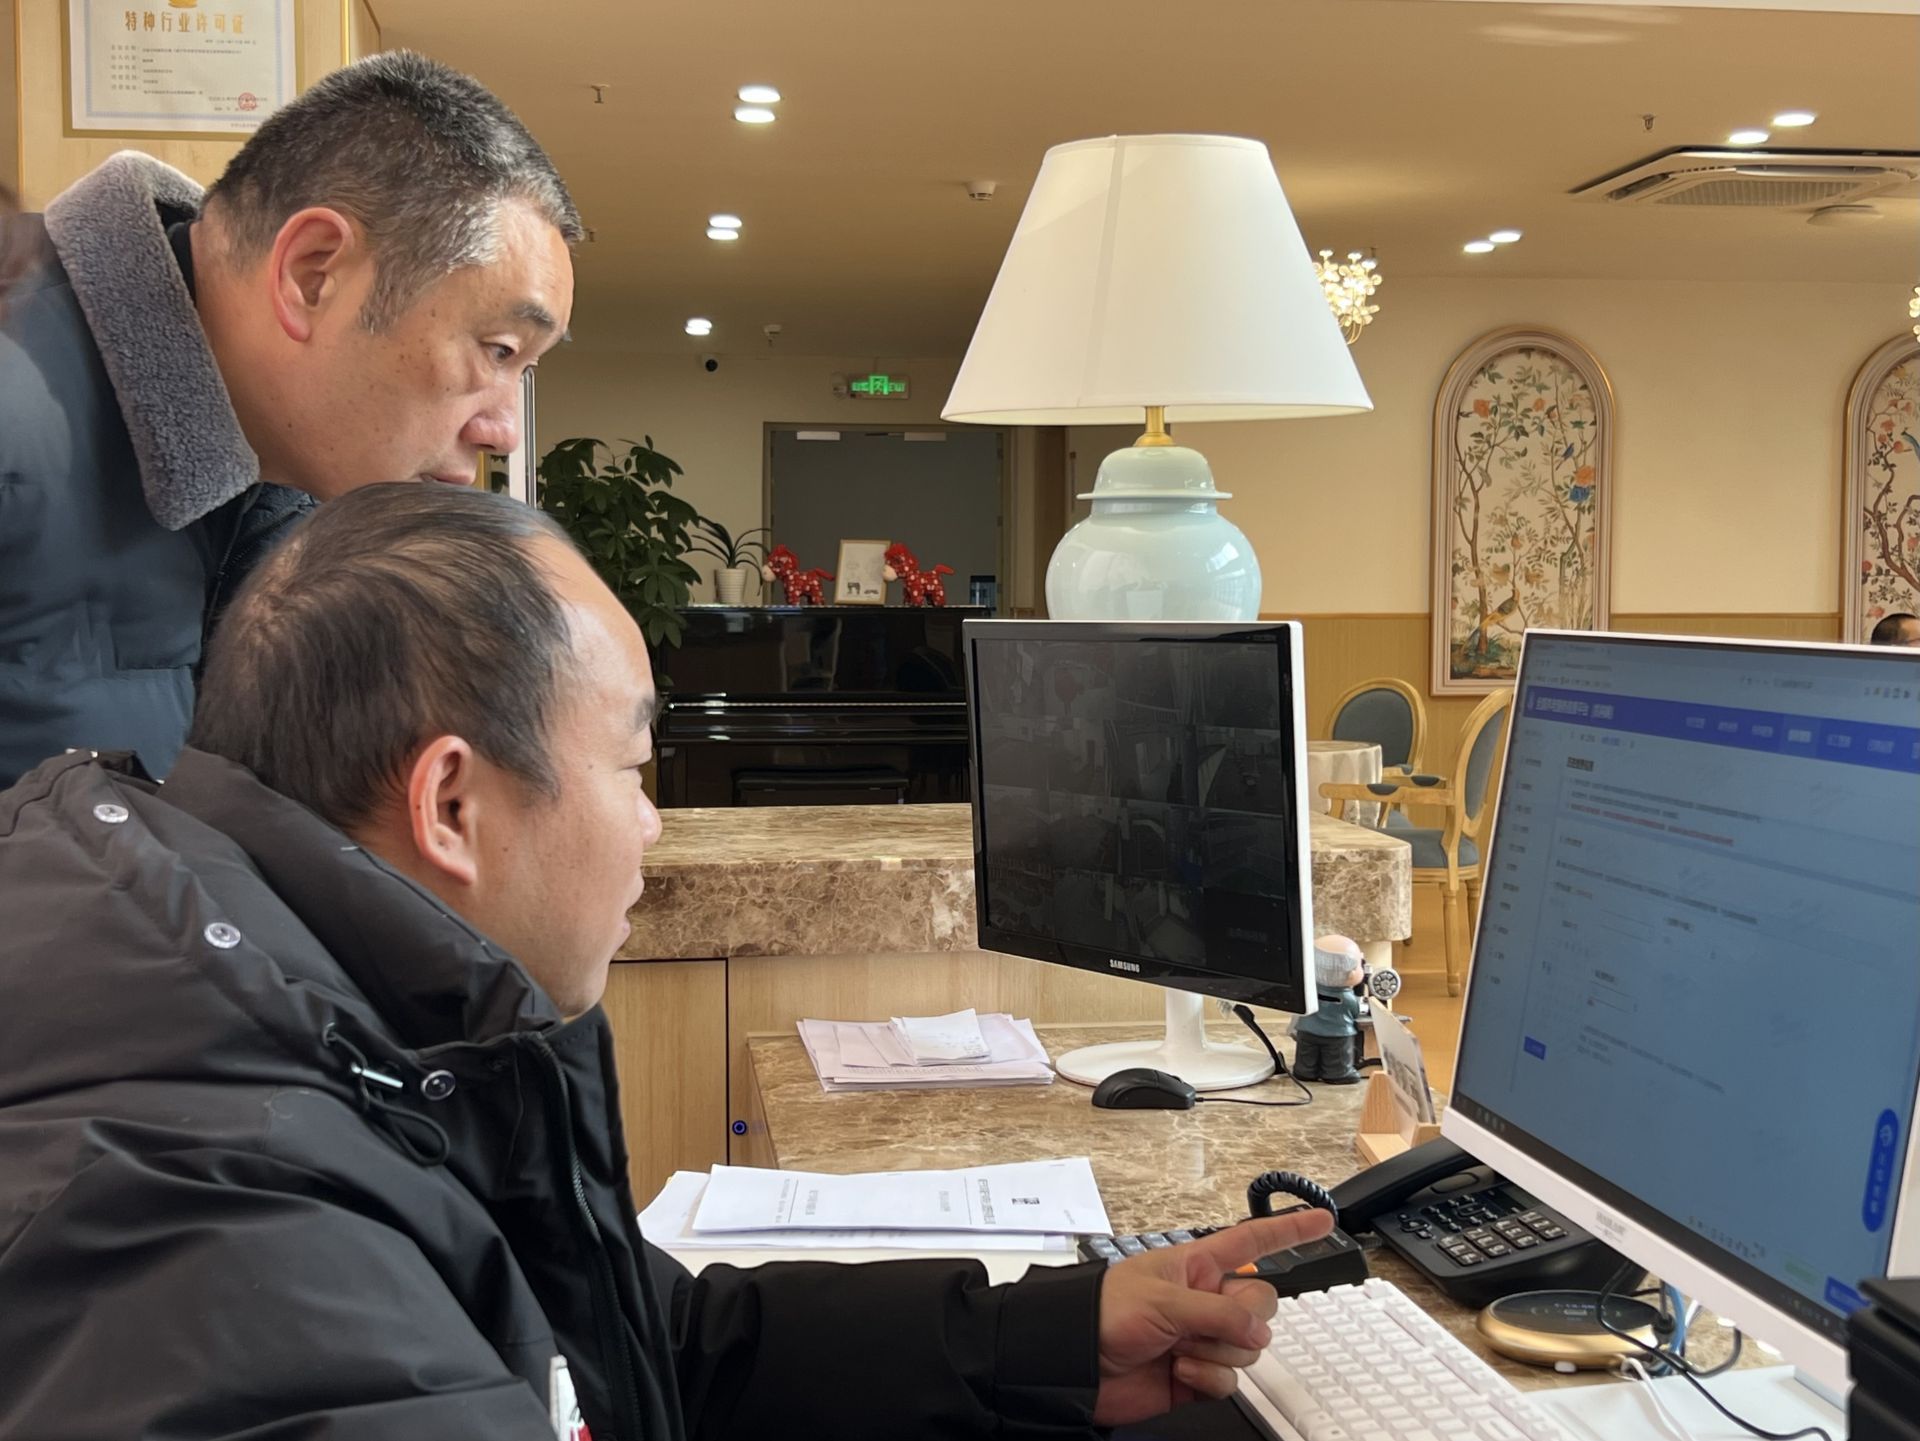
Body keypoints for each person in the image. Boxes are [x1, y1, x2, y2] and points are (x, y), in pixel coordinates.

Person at [0, 485, 1328, 1441]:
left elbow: (641, 1343)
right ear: (452, 805)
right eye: (637, 769)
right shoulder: (247, 1242)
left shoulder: (297, 998)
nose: (652, 826)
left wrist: (1044, 1337)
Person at [0, 52, 578, 788]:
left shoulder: (293, 490)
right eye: (497, 350)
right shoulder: (18, 424)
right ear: (313, 274)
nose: (504, 430)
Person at [1290, 937, 1366, 1084]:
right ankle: (1337, 1073)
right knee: (1337, 1056)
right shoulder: (1348, 998)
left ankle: (1304, 1071)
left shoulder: (1308, 991)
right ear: (1350, 974)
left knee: (1306, 1053)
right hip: (1337, 1034)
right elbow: (1355, 1013)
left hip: (1307, 1029)